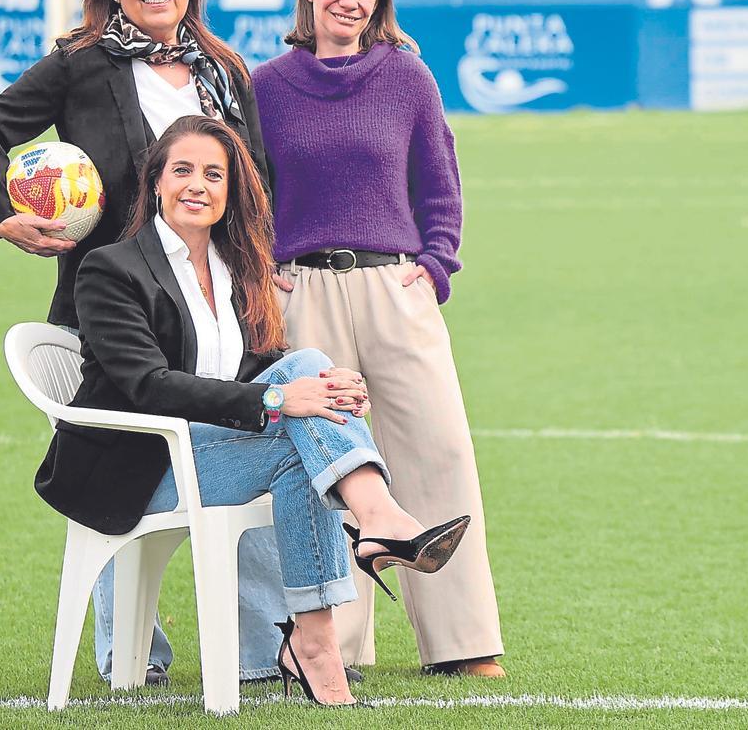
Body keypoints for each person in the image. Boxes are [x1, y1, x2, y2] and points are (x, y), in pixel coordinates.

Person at [0, 0, 288, 686]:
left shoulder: (225, 72)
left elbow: (259, 182)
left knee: (256, 441)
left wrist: (266, 268)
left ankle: (260, 653)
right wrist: (7, 218)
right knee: (117, 469)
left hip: (219, 307)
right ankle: (132, 656)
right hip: (112, 309)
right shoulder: (80, 64)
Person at [41, 114, 468, 707]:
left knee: (309, 385)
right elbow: (147, 383)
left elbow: (253, 366)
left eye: (214, 174)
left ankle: (313, 642)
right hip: (136, 463)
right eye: (183, 170)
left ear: (229, 190)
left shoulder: (233, 267)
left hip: (210, 451)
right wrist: (277, 399)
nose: (198, 185)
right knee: (300, 407)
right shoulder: (112, 268)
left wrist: (330, 392)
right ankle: (378, 523)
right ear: (156, 182)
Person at [253, 0, 504, 676]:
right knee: (331, 468)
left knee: (440, 451)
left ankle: (462, 643)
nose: (351, 1)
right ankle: (342, 645)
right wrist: (266, 270)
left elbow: (440, 182)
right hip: (305, 294)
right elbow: (251, 195)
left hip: (397, 288)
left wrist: (435, 266)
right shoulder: (264, 86)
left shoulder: (407, 78)